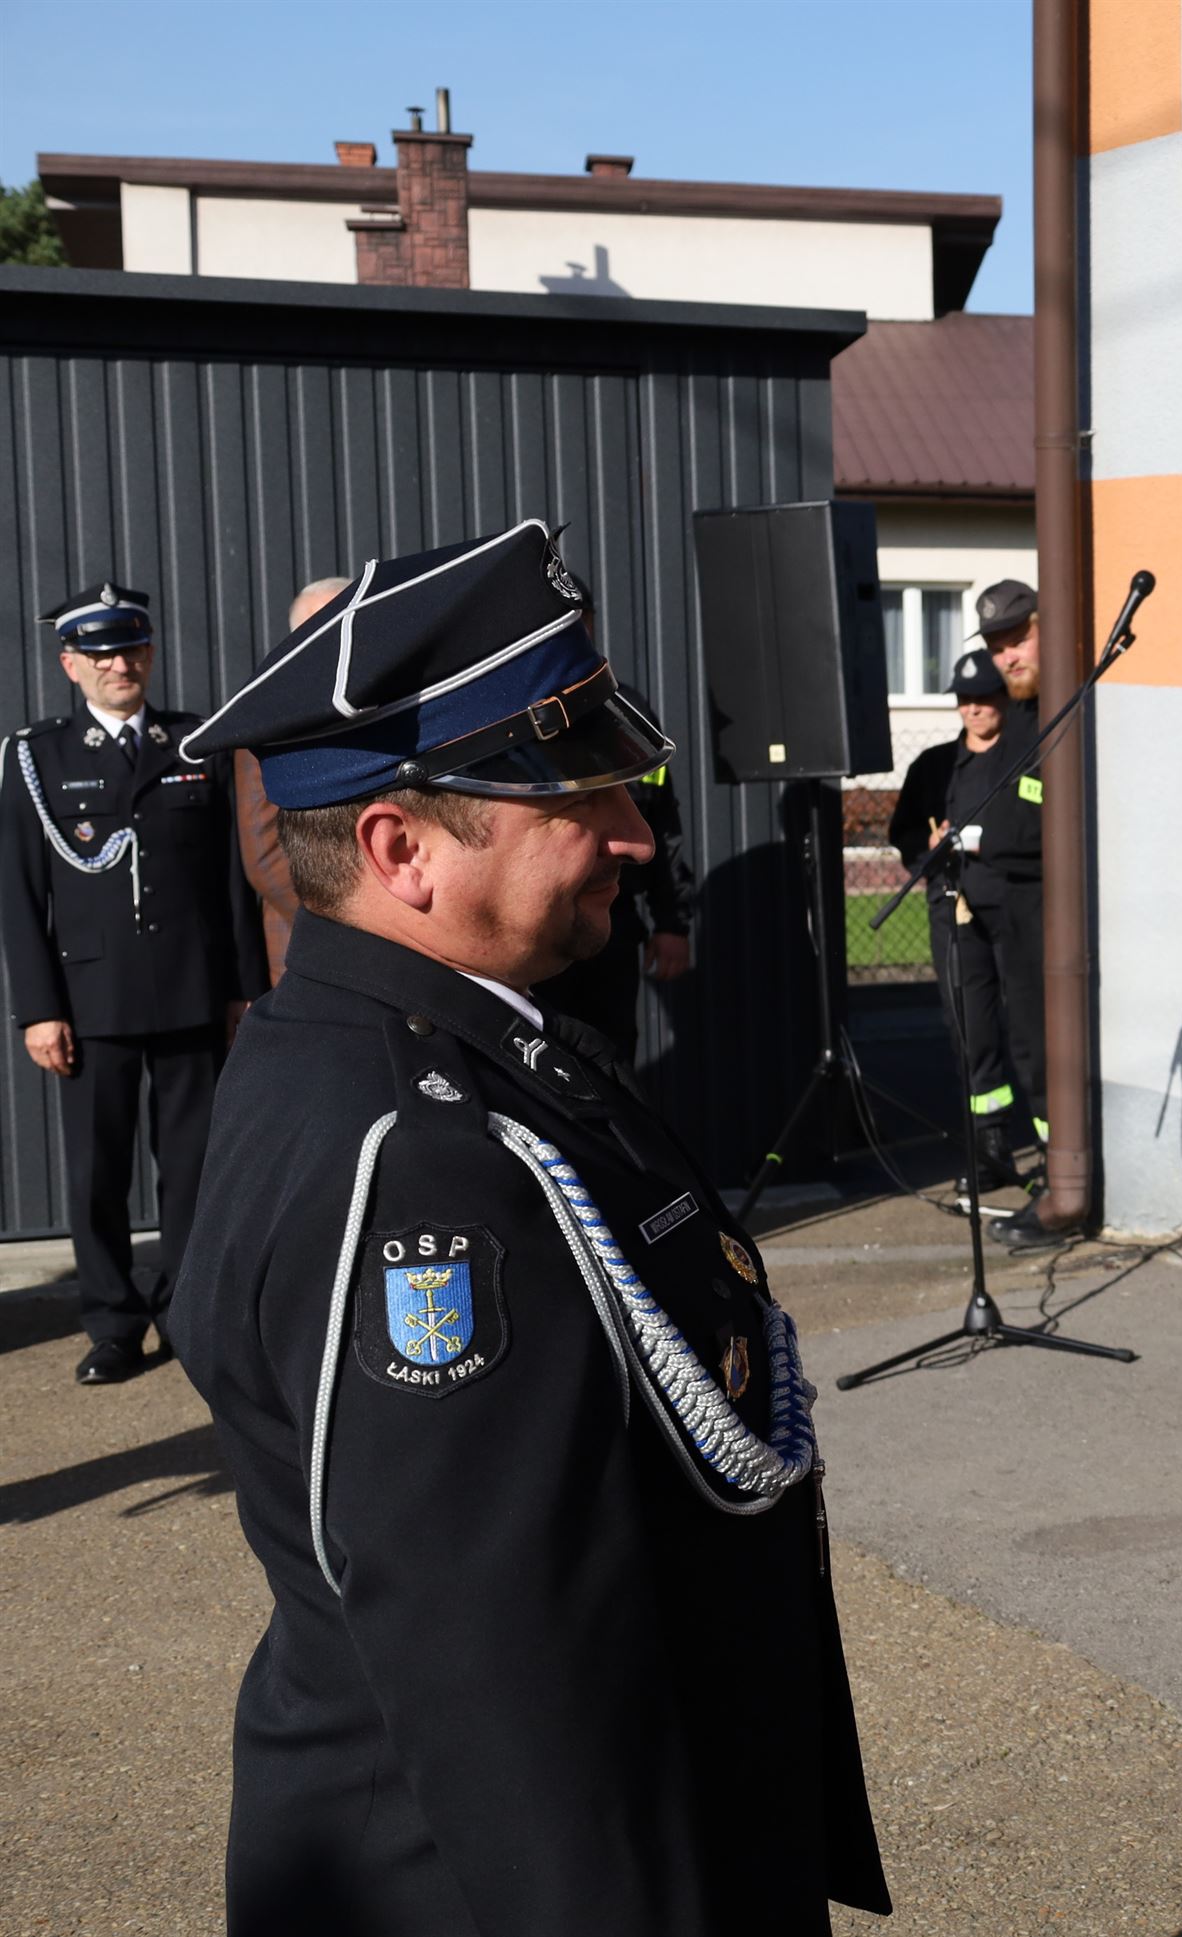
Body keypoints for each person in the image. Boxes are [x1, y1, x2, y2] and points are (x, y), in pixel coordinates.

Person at [170, 520, 888, 1935]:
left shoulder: (434, 1048)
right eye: (578, 799)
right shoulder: (428, 1165)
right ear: (400, 849)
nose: (636, 833)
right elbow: (503, 1677)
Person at [3, 580, 266, 1385]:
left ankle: (187, 1310)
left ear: (150, 653)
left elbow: (232, 882)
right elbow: (18, 894)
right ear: (70, 664)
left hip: (192, 989)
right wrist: (38, 1009)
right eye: (104, 654)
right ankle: (113, 1323)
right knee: (97, 1173)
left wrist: (244, 988)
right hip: (93, 1001)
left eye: (134, 649)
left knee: (193, 1168)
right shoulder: (37, 757)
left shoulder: (195, 743)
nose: (122, 664)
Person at [887, 612, 1057, 1246]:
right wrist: (926, 850)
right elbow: (904, 832)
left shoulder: (1024, 752)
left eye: (983, 697)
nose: (973, 709)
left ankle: (1054, 1157)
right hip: (954, 913)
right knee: (972, 1030)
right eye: (963, 700)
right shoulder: (935, 765)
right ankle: (989, 1151)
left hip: (1017, 910)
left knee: (1032, 1035)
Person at [534, 765, 696, 1064]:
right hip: (541, 919)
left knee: (612, 1047)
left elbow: (663, 835)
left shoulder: (637, 739)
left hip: (614, 921)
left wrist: (672, 924)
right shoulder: (537, 737)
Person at [230, 575, 351, 976]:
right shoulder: (267, 717)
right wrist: (355, 919)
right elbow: (265, 856)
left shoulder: (397, 700)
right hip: (312, 939)